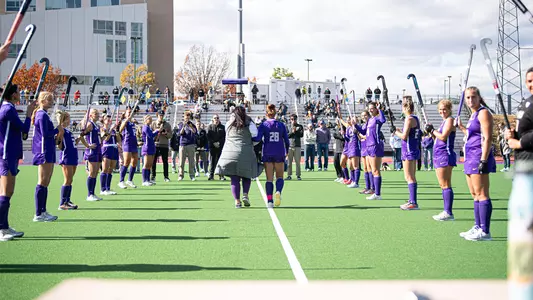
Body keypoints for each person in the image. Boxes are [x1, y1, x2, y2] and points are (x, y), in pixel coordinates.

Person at [505, 67, 533, 295]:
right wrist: (511, 134)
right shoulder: (526, 102)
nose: (531, 84)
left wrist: (520, 143)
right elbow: (523, 128)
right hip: (522, 169)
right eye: (529, 80)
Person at [456, 87, 496, 241]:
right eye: (467, 98)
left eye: (473, 97)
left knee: (482, 193)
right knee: (474, 194)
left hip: (479, 156)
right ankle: (478, 226)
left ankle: (485, 231)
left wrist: (484, 159)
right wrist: (461, 127)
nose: (470, 100)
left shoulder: (483, 112)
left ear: (479, 97)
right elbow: (472, 134)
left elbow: (487, 138)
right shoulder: (473, 114)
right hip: (470, 156)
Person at [0, 85, 36, 240]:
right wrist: (29, 113)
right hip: (7, 154)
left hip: (10, 154)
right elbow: (24, 129)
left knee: (8, 192)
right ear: (13, 94)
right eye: (18, 92)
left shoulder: (8, 108)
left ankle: (5, 226)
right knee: (6, 192)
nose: (20, 94)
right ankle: (2, 229)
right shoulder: (7, 109)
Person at [215, 106, 258, 208]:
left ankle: (237, 201)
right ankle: (245, 195)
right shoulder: (249, 122)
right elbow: (256, 135)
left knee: (234, 178)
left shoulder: (229, 123)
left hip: (230, 153)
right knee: (246, 175)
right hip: (245, 152)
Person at [32, 92, 63, 222]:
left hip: (48, 150)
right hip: (43, 151)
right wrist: (57, 129)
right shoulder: (41, 115)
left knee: (46, 182)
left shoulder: (44, 114)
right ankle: (39, 213)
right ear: (42, 100)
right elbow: (45, 134)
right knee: (43, 181)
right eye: (49, 100)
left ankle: (43, 211)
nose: (51, 102)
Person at [426, 99, 457, 221]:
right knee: (443, 184)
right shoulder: (444, 121)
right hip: (439, 154)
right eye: (440, 109)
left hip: (445, 154)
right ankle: (447, 211)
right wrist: (432, 133)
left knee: (445, 184)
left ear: (449, 109)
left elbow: (443, 137)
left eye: (445, 109)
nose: (442, 111)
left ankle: (448, 212)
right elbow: (439, 137)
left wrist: (432, 130)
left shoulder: (450, 120)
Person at [254, 104, 290, 208]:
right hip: (279, 152)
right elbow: (287, 141)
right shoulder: (281, 125)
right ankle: (278, 191)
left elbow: (258, 139)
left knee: (269, 179)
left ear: (266, 114)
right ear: (275, 114)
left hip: (268, 153)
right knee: (280, 177)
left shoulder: (263, 125)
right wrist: (286, 151)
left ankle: (270, 200)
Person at [393, 99, 421, 210]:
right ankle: (412, 200)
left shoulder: (409, 119)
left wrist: (396, 132)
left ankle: (413, 202)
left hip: (409, 150)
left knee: (409, 177)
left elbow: (404, 136)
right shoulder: (415, 118)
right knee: (410, 176)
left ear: (405, 108)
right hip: (410, 149)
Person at [356, 102, 385, 200]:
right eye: (370, 108)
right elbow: (364, 132)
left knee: (375, 170)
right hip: (369, 146)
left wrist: (380, 109)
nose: (371, 110)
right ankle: (375, 192)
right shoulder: (370, 120)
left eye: (372, 108)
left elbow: (383, 119)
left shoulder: (377, 119)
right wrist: (355, 125)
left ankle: (377, 194)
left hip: (375, 146)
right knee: (372, 170)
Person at [56, 111, 82, 210]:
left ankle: (67, 200)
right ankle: (62, 203)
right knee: (67, 180)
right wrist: (59, 135)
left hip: (73, 156)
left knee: (70, 180)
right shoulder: (61, 130)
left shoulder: (68, 131)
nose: (69, 120)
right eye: (68, 118)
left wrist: (80, 137)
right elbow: (59, 144)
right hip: (66, 157)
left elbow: (73, 143)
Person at [80, 108, 103, 201]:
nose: (97, 115)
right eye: (95, 114)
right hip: (92, 151)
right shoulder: (89, 124)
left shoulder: (96, 125)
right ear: (90, 115)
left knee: (96, 173)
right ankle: (89, 194)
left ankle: (93, 193)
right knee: (92, 173)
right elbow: (81, 136)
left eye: (98, 113)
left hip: (98, 150)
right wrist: (88, 145)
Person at [118, 106, 139, 189]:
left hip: (133, 143)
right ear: (125, 114)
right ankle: (121, 181)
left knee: (134, 162)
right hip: (127, 143)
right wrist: (126, 120)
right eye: (128, 112)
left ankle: (130, 180)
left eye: (131, 112)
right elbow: (120, 129)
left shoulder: (132, 122)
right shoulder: (124, 121)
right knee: (126, 162)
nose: (130, 114)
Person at [100, 114, 120, 195]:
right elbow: (105, 138)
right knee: (105, 169)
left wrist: (117, 132)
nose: (108, 121)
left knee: (111, 169)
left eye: (109, 119)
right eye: (107, 119)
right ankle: (103, 189)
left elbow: (118, 140)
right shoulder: (103, 129)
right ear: (103, 121)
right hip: (106, 149)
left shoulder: (113, 130)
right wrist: (110, 129)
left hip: (114, 149)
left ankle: (108, 188)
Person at [151, 110, 172, 182]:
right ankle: (153, 176)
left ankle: (166, 176)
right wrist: (157, 131)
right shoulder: (153, 123)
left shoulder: (167, 125)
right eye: (160, 115)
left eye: (162, 115)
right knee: (153, 161)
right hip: (155, 145)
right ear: (157, 115)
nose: (161, 117)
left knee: (165, 161)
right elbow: (150, 134)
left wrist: (166, 133)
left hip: (164, 145)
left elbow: (170, 136)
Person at [177, 111, 197, 181]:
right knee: (181, 161)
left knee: (191, 161)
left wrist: (190, 126)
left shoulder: (192, 124)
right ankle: (180, 175)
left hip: (191, 144)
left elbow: (195, 132)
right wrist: (184, 126)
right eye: (186, 118)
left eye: (188, 118)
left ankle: (192, 175)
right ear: (184, 118)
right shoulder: (180, 124)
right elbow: (180, 133)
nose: (187, 119)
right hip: (183, 144)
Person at [141, 115, 158, 186]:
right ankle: (144, 180)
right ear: (145, 120)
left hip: (151, 147)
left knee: (150, 164)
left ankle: (148, 179)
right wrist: (157, 131)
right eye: (149, 119)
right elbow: (150, 135)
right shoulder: (145, 127)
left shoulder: (149, 127)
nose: (151, 120)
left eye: (151, 119)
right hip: (147, 147)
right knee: (146, 164)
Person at [207, 114, 226, 180]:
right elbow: (209, 137)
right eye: (215, 118)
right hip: (212, 147)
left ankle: (221, 175)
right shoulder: (209, 127)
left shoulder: (222, 127)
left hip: (220, 147)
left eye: (217, 118)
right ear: (213, 119)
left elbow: (224, 137)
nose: (216, 119)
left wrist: (219, 143)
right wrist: (214, 143)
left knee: (221, 161)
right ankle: (211, 175)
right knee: (212, 161)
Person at [286, 114, 303, 180]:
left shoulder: (300, 126)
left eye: (294, 119)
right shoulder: (288, 127)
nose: (293, 121)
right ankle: (289, 175)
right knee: (289, 162)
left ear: (296, 119)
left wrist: (296, 131)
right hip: (290, 146)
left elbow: (301, 135)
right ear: (290, 120)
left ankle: (298, 175)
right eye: (292, 119)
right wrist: (292, 132)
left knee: (297, 162)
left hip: (297, 146)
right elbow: (287, 136)